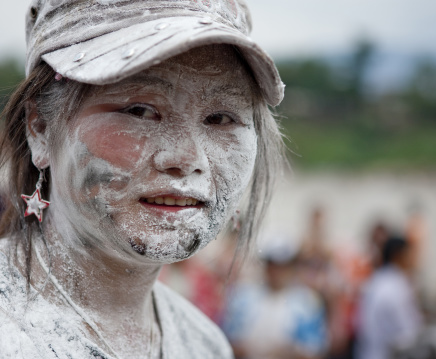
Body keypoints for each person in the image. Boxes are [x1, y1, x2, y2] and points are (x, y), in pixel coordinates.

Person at [0, 0, 285, 358]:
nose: (186, 159)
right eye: (140, 110)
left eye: (220, 118)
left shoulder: (203, 346)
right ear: (40, 128)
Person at [222, 234, 329, 359]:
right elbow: (226, 339)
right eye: (272, 265)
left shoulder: (307, 303)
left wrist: (289, 352)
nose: (277, 272)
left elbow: (316, 350)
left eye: (283, 266)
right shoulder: (242, 297)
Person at [356, 236, 422, 359]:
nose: (413, 260)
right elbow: (409, 334)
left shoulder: (374, 281)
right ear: (398, 255)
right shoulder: (397, 287)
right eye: (409, 254)